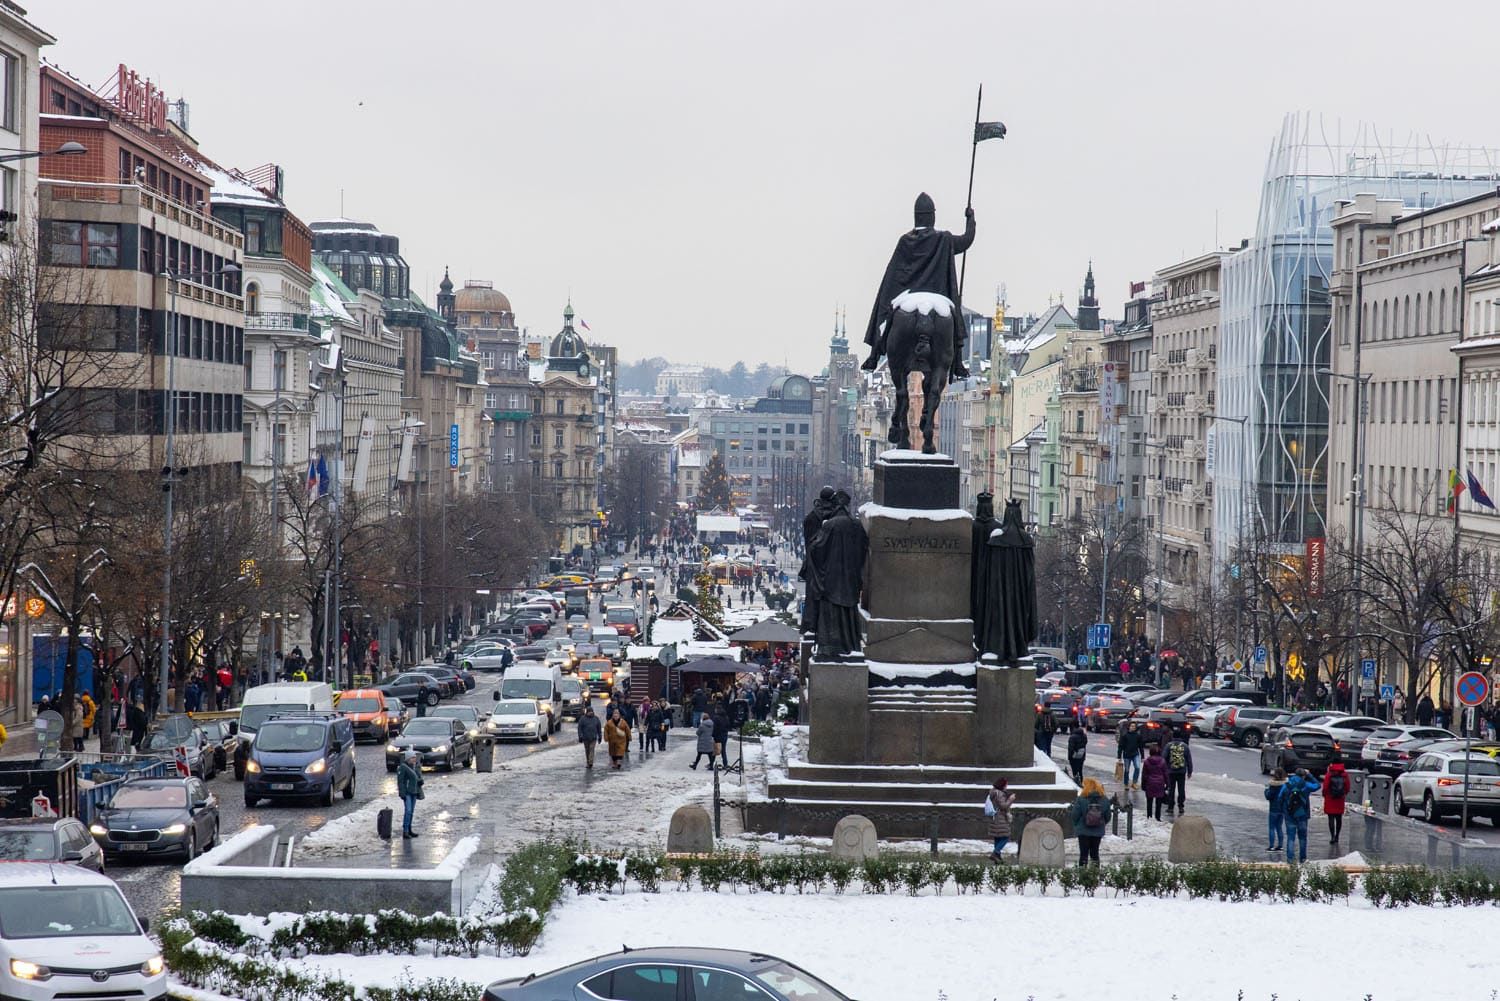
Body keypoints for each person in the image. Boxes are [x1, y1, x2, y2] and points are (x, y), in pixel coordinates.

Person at [1279, 768, 1321, 864]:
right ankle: (1302, 858)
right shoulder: (1305, 785)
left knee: (1291, 838)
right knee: (1302, 838)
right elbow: (1318, 785)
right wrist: (1310, 775)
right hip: (1302, 815)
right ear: (1303, 776)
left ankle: (1290, 860)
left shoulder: (1287, 785)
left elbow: (1280, 798)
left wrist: (1284, 810)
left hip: (1289, 816)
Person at [1069, 777, 1112, 867]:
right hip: (1097, 832)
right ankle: (1094, 875)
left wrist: (1077, 825)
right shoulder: (1104, 800)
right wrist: (1101, 824)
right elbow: (1108, 817)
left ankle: (1083, 876)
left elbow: (1075, 815)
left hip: (1083, 831)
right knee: (1095, 854)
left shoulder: (1081, 799)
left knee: (1083, 854)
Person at [1163, 729, 1194, 815]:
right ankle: (1181, 806)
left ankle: (1170, 807)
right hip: (1181, 771)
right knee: (1181, 789)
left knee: (1171, 789)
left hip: (1170, 771)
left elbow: (1164, 758)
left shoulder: (1168, 745)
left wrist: (1164, 770)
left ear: (1173, 736)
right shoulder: (1185, 746)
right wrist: (1190, 771)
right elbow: (1189, 760)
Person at [985, 777, 1015, 864]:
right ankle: (995, 853)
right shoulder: (999, 794)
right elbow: (1003, 806)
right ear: (1002, 785)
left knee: (997, 837)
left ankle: (998, 858)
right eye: (1006, 784)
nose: (1007, 786)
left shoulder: (993, 792)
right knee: (1006, 836)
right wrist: (1011, 799)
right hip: (1000, 817)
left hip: (994, 817)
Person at [397, 751, 424, 838]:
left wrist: (420, 781)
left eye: (415, 758)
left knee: (411, 812)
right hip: (407, 792)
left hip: (414, 792)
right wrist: (402, 793)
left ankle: (409, 829)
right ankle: (405, 831)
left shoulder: (415, 767)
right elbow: (400, 781)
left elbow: (417, 778)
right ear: (408, 758)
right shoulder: (403, 767)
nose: (414, 759)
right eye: (413, 758)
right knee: (408, 811)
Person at [1322, 761, 1350, 843]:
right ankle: (1337, 836)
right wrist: (1344, 793)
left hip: (1330, 798)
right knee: (1339, 818)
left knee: (1331, 818)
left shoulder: (1329, 774)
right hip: (1340, 799)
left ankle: (1332, 836)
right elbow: (1347, 787)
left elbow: (1325, 787)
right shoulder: (1344, 774)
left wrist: (1325, 795)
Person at [1141, 744, 1169, 822]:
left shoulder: (1147, 761)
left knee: (1149, 801)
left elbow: (1144, 775)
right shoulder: (1163, 761)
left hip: (1149, 783)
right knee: (1158, 802)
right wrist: (1167, 784)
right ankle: (1157, 817)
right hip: (1160, 783)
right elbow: (1165, 773)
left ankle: (1149, 816)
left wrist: (1143, 785)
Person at [1264, 767, 1288, 854]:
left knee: (1271, 828)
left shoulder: (1273, 786)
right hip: (1282, 809)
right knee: (1279, 827)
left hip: (1273, 809)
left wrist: (1266, 790)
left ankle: (1271, 846)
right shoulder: (1285, 785)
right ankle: (1280, 845)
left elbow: (1268, 796)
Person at [1117, 720, 1143, 791]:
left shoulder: (1138, 736)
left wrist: (1142, 756)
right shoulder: (1125, 735)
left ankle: (1134, 782)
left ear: (1135, 728)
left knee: (1137, 767)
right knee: (1127, 770)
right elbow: (1120, 746)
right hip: (1126, 755)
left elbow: (1141, 746)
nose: (1132, 727)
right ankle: (1126, 784)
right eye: (1131, 726)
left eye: (1134, 726)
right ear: (1129, 727)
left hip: (1135, 754)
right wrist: (1119, 756)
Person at [577, 705, 602, 769]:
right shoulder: (582, 719)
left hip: (593, 738)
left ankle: (590, 762)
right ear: (587, 712)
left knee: (591, 749)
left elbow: (599, 728)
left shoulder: (596, 719)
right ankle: (588, 762)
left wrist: (600, 737)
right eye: (589, 712)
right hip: (586, 738)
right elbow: (579, 728)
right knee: (587, 750)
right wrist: (580, 736)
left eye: (591, 711)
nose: (590, 713)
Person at [712, 705, 732, 770]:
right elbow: (728, 725)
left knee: (715, 750)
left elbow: (714, 728)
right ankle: (725, 764)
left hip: (717, 736)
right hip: (724, 735)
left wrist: (713, 735)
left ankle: (711, 763)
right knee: (723, 750)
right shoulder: (726, 717)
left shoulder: (716, 718)